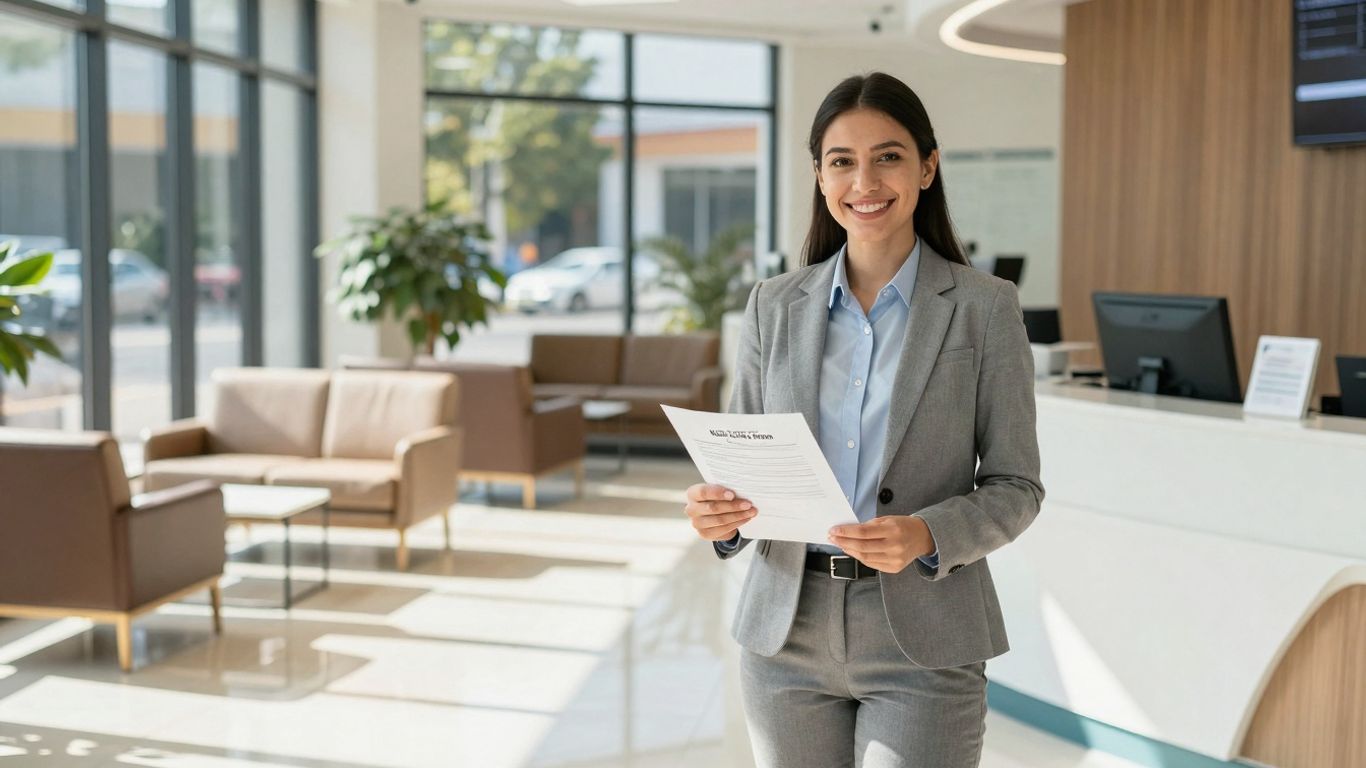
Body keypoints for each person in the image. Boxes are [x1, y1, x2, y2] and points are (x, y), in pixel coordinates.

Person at [683, 72, 1044, 768]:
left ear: (927, 167)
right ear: (820, 177)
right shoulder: (772, 305)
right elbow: (741, 462)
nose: (865, 180)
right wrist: (722, 515)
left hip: (926, 635)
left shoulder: (984, 307)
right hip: (786, 630)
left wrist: (927, 532)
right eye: (842, 161)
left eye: (888, 156)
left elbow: (1015, 485)